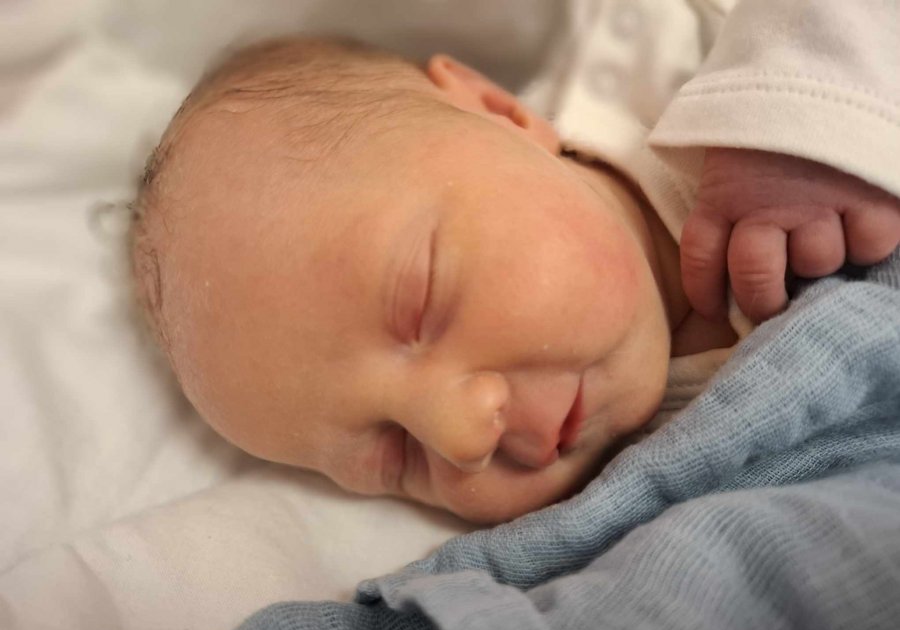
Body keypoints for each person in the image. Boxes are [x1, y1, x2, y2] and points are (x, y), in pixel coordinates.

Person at [130, 2, 899, 524]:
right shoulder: (633, 504)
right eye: (398, 455)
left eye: (422, 303)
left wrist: (800, 119)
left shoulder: (668, 50)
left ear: (500, 112)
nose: (462, 435)